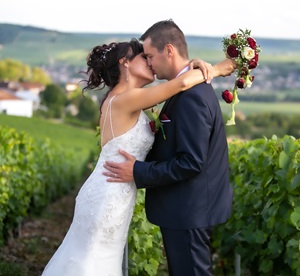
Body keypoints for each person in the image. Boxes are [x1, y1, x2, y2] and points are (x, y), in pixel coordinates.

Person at [41, 37, 235, 276]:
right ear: (125, 62)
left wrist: (191, 64)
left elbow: (180, 83)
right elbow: (181, 84)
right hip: (108, 196)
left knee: (99, 260)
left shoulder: (125, 98)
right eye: (144, 57)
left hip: (115, 192)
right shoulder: (125, 99)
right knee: (92, 261)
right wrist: (215, 69)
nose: (151, 63)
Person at [103, 20, 236, 275]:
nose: (150, 63)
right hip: (187, 209)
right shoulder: (187, 88)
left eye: (151, 56)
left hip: (189, 211)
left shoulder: (191, 96)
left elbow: (191, 162)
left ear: (169, 51)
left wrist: (138, 172)